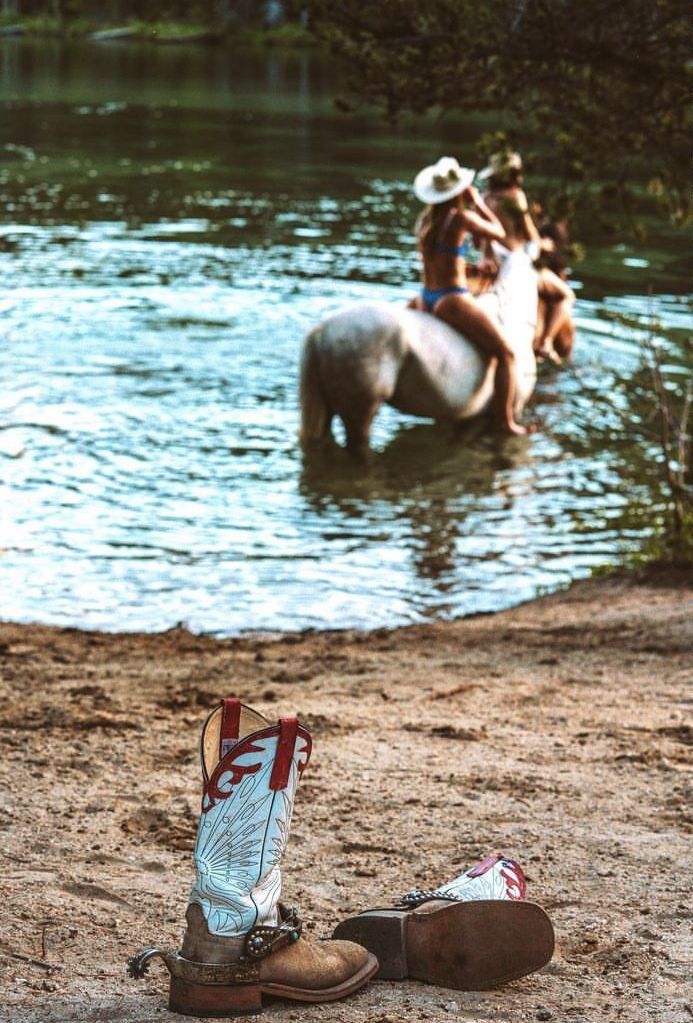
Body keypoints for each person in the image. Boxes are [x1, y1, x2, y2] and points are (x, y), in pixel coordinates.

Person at [412, 156, 529, 436]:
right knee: (506, 353)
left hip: (425, 297)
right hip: (451, 299)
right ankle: (506, 422)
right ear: (460, 191)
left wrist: (471, 267)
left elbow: (439, 261)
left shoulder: (427, 220)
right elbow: (498, 232)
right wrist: (476, 201)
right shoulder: (461, 218)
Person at [478, 150, 575, 362]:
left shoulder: (484, 199)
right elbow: (531, 235)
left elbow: (479, 239)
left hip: (488, 261)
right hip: (514, 264)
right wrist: (545, 244)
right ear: (513, 175)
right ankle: (545, 342)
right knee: (566, 295)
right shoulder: (515, 197)